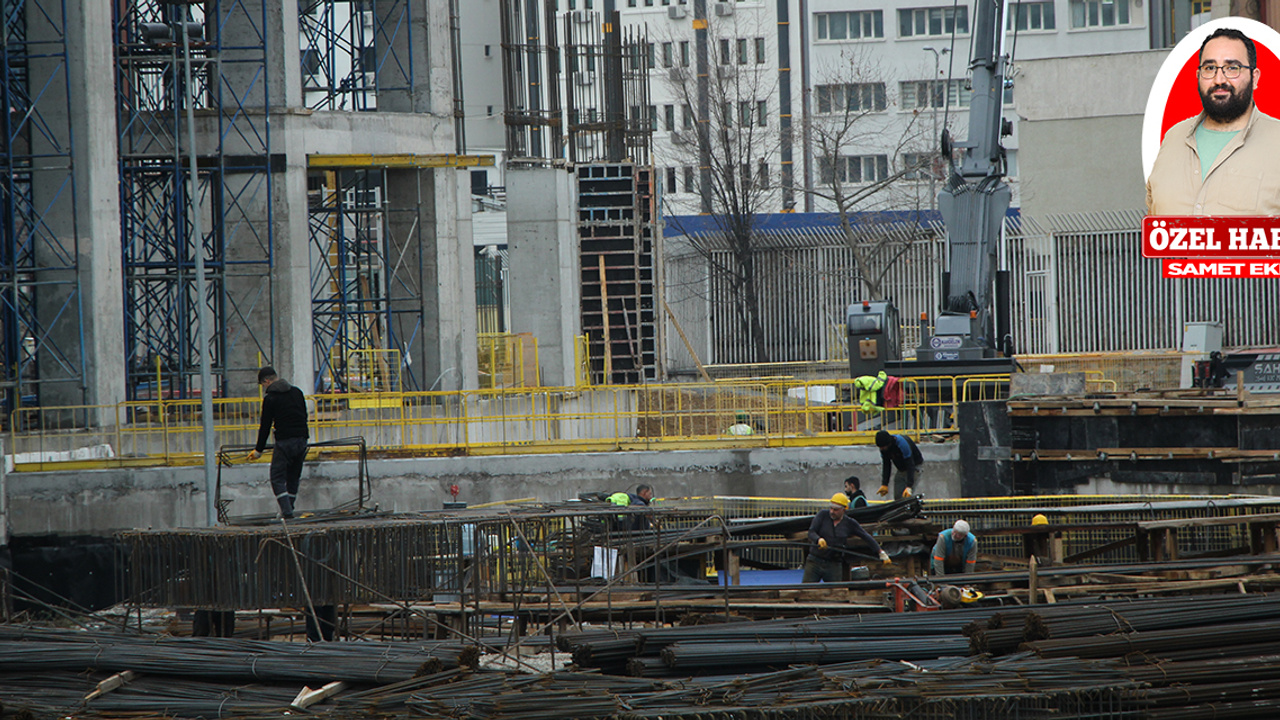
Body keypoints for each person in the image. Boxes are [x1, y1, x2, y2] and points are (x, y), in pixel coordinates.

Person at [1146, 27, 1280, 215]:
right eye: (1209, 68)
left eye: (1232, 68)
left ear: (1254, 77)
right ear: (1198, 76)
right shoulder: (1173, 137)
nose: (1219, 79)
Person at [247, 366, 310, 519]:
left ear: (266, 381)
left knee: (277, 477)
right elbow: (304, 415)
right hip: (302, 440)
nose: (264, 388)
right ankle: (288, 509)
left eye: (263, 385)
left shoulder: (271, 398)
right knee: (293, 477)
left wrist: (258, 450)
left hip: (285, 442)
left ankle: (287, 512)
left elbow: (265, 426)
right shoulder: (297, 392)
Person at [802, 492, 890, 583]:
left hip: (833, 564)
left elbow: (866, 536)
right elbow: (811, 532)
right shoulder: (822, 515)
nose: (832, 512)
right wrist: (818, 539)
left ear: (844, 510)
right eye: (831, 508)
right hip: (815, 561)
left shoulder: (849, 523)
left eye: (836, 510)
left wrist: (880, 552)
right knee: (806, 590)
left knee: (836, 593)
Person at [875, 430, 924, 499]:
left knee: (906, 496)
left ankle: (908, 507)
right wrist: (884, 484)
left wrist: (909, 486)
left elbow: (910, 464)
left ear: (888, 443)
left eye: (883, 447)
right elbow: (886, 465)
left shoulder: (901, 443)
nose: (881, 449)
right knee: (898, 496)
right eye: (880, 447)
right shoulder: (884, 449)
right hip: (901, 469)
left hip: (914, 466)